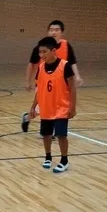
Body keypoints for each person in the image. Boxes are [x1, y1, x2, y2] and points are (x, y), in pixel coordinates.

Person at [28, 37, 77, 173]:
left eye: (44, 52)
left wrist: (72, 107)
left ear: (54, 50)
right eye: (40, 52)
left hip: (61, 107)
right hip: (46, 107)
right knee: (46, 135)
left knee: (61, 135)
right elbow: (40, 89)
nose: (41, 55)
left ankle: (64, 160)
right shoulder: (41, 67)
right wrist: (33, 106)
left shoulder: (65, 66)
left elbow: (73, 88)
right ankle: (48, 156)